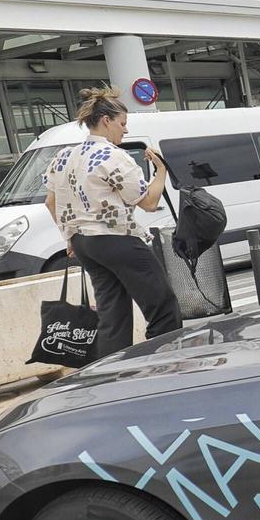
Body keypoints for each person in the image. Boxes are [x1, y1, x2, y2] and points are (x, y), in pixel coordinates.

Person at [42, 89, 181, 359]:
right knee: (162, 305)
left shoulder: (63, 157)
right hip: (117, 239)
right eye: (122, 123)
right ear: (106, 120)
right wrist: (161, 171)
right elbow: (149, 202)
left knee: (112, 314)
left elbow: (51, 202)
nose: (125, 130)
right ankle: (166, 361)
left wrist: (69, 237)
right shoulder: (113, 156)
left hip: (84, 244)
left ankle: (110, 372)